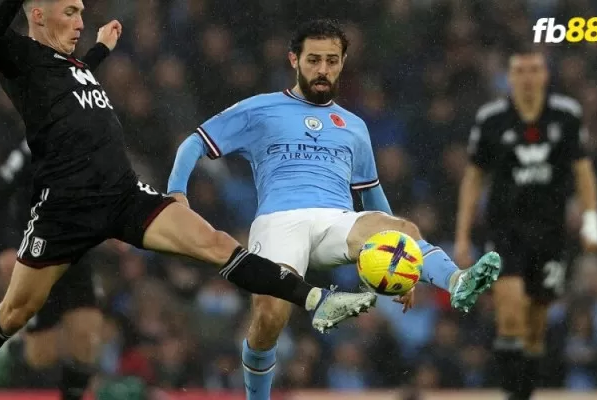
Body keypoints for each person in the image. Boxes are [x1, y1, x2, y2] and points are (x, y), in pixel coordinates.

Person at [0, 2, 377, 399]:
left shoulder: (69, 65)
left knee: (214, 242)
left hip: (124, 194)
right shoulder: (19, 58)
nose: (80, 21)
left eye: (81, 12)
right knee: (15, 312)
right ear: (37, 15)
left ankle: (316, 299)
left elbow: (67, 87)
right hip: (65, 210)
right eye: (70, 12)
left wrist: (100, 52)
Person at [167, 19, 502, 400]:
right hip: (280, 221)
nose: (322, 69)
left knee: (405, 228)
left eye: (331, 60)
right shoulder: (260, 109)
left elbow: (373, 196)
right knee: (269, 317)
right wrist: (176, 193)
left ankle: (456, 282)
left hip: (335, 221)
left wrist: (405, 263)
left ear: (343, 63)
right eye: (313, 60)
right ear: (294, 59)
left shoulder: (355, 127)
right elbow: (193, 143)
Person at [454, 46, 597, 400]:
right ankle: (512, 394)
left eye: (535, 69)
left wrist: (591, 222)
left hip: (551, 233)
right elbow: (473, 178)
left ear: (545, 75)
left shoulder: (567, 116)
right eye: (520, 70)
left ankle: (524, 392)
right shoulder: (491, 119)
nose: (528, 77)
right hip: (505, 230)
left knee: (535, 325)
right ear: (510, 76)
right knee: (510, 313)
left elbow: (583, 172)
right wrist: (461, 236)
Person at [0, 139, 104, 400]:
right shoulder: (31, 148)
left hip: (75, 255)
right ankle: (12, 349)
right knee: (42, 355)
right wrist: (3, 247)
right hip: (38, 256)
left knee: (87, 335)